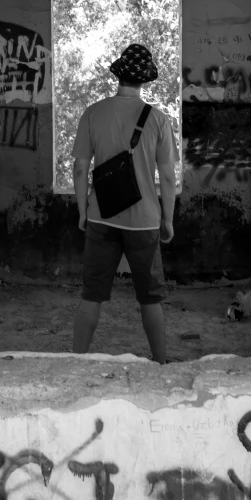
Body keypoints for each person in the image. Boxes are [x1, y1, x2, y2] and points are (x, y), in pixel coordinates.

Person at [71, 43, 178, 364]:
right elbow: (169, 178)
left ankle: (76, 362)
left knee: (92, 295)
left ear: (118, 75)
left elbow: (79, 168)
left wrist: (82, 211)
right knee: (150, 298)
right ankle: (160, 363)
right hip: (145, 222)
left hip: (101, 218)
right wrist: (168, 220)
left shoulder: (93, 113)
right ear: (145, 80)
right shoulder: (158, 120)